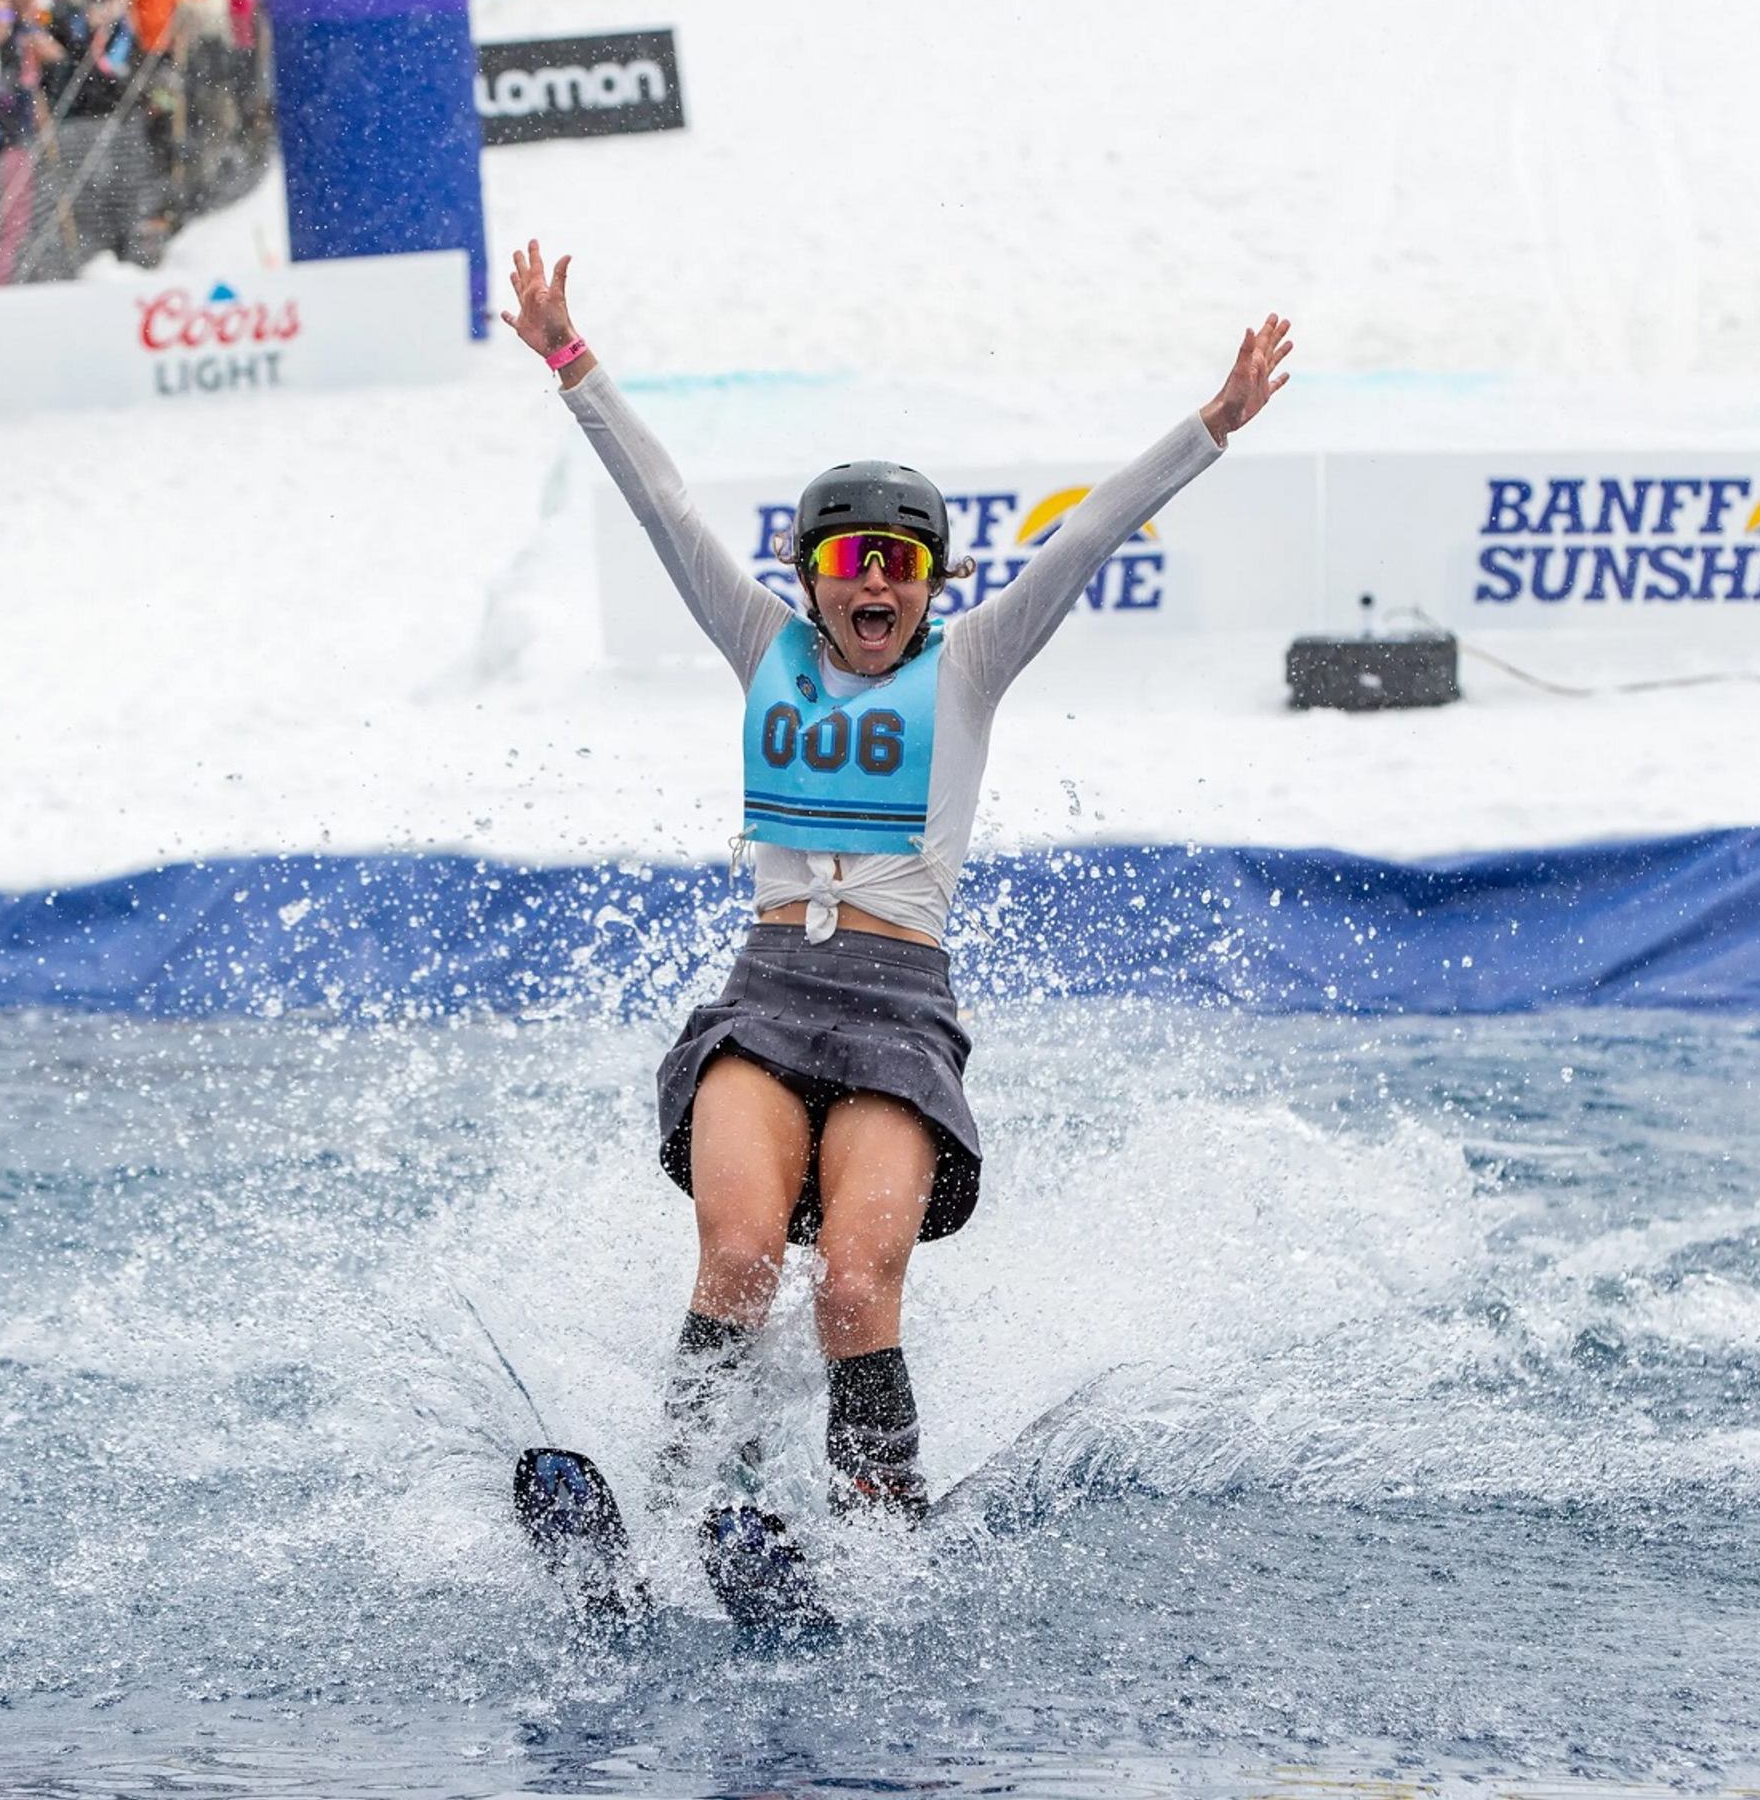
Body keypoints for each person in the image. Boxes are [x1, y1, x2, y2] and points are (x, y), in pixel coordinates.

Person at [500, 240, 1292, 1520]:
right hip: (763, 1004)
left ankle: (880, 1533)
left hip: (897, 1015)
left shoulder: (972, 663)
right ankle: (676, 1508)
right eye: (855, 559)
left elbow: (1087, 535)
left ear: (932, 588)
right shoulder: (760, 641)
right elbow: (664, 505)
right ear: (811, 577)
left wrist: (1212, 425)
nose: (879, 582)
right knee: (743, 1259)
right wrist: (569, 360)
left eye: (904, 566)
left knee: (855, 1288)